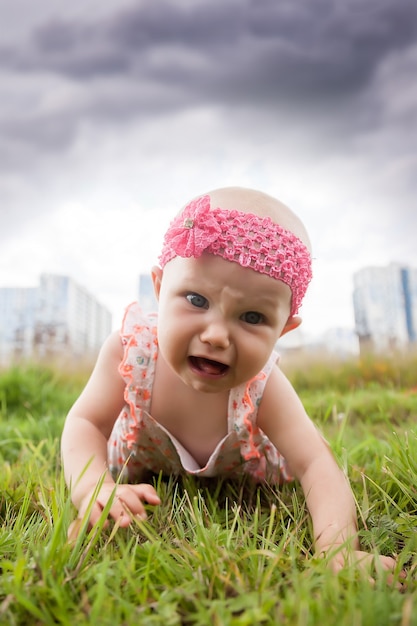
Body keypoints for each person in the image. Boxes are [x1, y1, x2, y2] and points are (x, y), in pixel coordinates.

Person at [61, 186, 397, 575]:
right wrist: (94, 489)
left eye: (252, 317)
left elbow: (315, 461)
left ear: (282, 331)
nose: (216, 335)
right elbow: (85, 422)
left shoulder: (262, 385)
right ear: (158, 289)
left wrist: (338, 549)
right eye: (196, 300)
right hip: (142, 463)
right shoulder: (131, 350)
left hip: (242, 474)